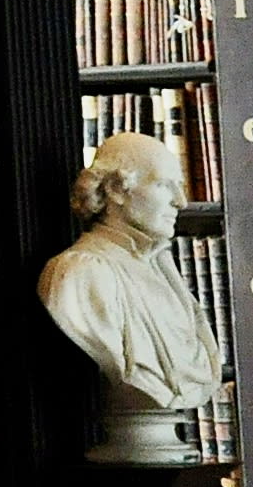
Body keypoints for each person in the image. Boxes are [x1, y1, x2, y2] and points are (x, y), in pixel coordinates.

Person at [39, 131, 222, 465]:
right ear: (115, 190)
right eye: (164, 185)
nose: (180, 200)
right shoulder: (78, 275)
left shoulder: (165, 273)